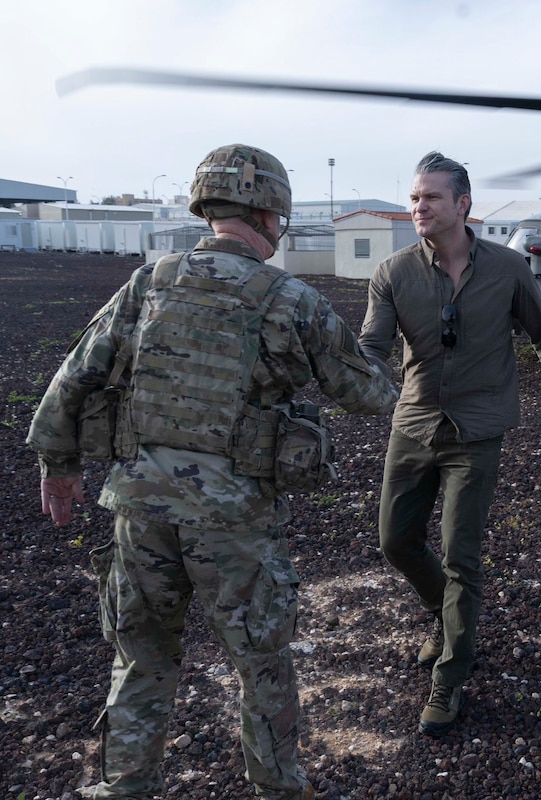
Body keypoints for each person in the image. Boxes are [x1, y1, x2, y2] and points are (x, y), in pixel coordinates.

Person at [26, 143, 400, 800]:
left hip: (140, 512)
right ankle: (277, 789)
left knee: (141, 661)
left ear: (208, 205)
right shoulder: (290, 297)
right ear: (270, 214)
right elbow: (366, 395)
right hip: (232, 523)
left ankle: (125, 787)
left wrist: (58, 467)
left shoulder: (150, 281)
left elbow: (75, 375)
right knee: (262, 668)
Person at [358, 152, 541, 737]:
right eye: (414, 198)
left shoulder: (510, 270)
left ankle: (452, 672)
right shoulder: (393, 273)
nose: (419, 207)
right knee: (396, 540)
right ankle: (444, 615)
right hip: (412, 426)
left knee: (462, 555)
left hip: (479, 432)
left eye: (431, 198)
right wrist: (339, 373)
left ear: (463, 205)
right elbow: (371, 349)